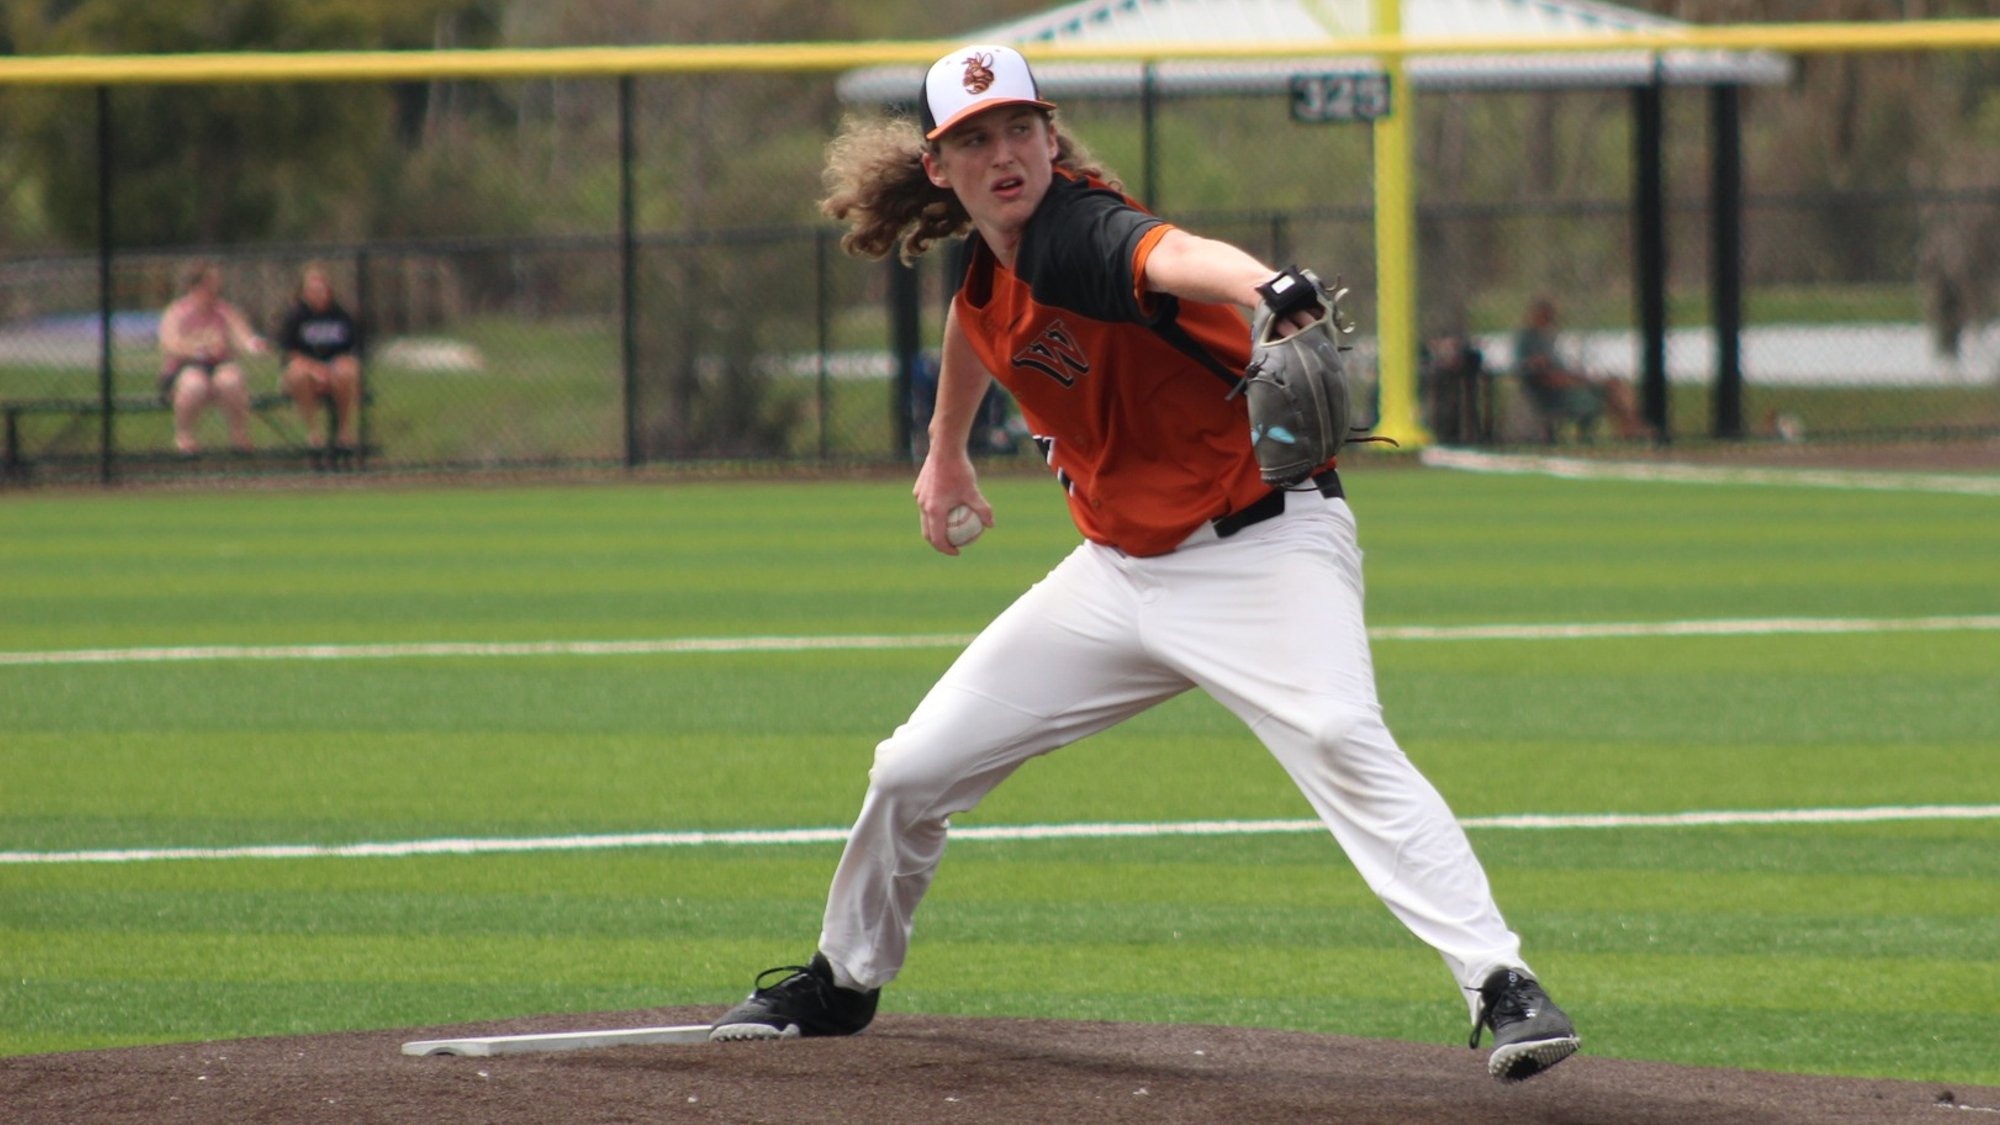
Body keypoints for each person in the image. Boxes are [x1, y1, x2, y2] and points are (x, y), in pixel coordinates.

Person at [707, 43, 1579, 1083]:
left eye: (1018, 129)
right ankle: (843, 981)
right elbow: (971, 322)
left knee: (1339, 730)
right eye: (973, 140)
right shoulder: (999, 264)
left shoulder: (1079, 229)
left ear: (1049, 134)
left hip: (1263, 551)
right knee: (910, 769)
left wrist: (1266, 286)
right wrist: (943, 454)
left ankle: (1499, 983)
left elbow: (1167, 252)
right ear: (938, 168)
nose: (1003, 155)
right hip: (1119, 577)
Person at [158, 260, 270, 455]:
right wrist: (200, 351)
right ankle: (184, 436)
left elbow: (242, 336)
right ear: (195, 286)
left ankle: (239, 435)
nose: (214, 288)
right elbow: (170, 344)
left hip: (219, 364)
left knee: (231, 381)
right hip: (185, 366)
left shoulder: (224, 311)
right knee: (194, 385)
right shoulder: (177, 312)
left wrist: (254, 345)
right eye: (209, 283)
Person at [1512, 296, 1649, 440]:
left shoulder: (1547, 339)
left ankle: (1631, 426)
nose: (1550, 321)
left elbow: (1561, 369)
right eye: (1546, 316)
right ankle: (1631, 428)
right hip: (1556, 393)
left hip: (1568, 384)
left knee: (1614, 383)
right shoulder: (1528, 339)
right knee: (1611, 388)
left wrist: (1579, 378)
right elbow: (1543, 373)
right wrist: (1574, 380)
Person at [276, 263, 364, 467]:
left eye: (322, 289)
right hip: (305, 372)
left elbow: (351, 352)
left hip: (335, 372)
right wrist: (315, 370)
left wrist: (331, 370)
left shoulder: (341, 315)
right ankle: (314, 436)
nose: (319, 294)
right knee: (299, 374)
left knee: (346, 373)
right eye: (313, 290)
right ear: (304, 292)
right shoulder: (295, 316)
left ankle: (344, 433)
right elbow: (290, 353)